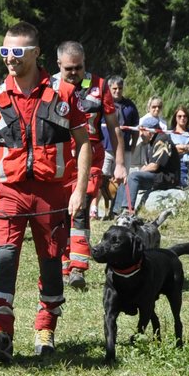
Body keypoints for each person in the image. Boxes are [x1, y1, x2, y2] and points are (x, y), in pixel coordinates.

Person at [0, 22, 90, 362]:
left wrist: (79, 190)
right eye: (5, 51)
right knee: (5, 258)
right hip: (9, 191)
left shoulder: (64, 95)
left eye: (18, 52)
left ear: (36, 53)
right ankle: (1, 333)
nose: (10, 59)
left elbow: (84, 144)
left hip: (52, 193)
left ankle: (45, 328)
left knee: (51, 263)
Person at [52, 41, 124, 290]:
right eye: (68, 68)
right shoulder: (50, 86)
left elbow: (114, 126)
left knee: (79, 209)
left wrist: (121, 163)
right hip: (59, 160)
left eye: (78, 68)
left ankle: (78, 268)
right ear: (59, 64)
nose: (74, 73)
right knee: (59, 213)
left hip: (90, 159)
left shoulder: (100, 86)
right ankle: (62, 264)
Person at [121, 114, 177, 212]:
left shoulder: (162, 140)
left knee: (133, 177)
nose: (140, 135)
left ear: (150, 132)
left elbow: (154, 166)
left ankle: (128, 210)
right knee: (125, 180)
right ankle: (117, 212)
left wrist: (140, 171)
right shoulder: (151, 142)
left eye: (142, 132)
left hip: (166, 178)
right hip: (157, 177)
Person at [105, 75, 139, 218]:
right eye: (114, 88)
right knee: (102, 179)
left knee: (121, 181)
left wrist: (133, 145)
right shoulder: (103, 103)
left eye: (120, 88)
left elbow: (136, 128)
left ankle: (115, 211)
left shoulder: (130, 106)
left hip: (124, 149)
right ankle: (96, 209)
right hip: (105, 148)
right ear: (109, 88)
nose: (117, 91)